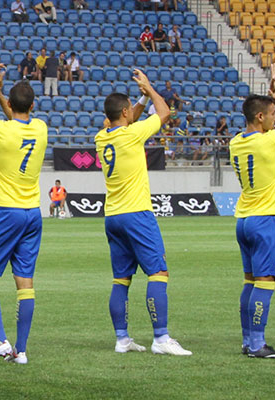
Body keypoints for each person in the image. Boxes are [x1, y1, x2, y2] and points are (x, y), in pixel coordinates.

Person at [95, 69, 192, 356]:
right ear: (124, 112)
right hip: (136, 212)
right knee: (158, 272)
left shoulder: (102, 137)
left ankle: (122, 339)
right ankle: (161, 338)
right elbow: (163, 112)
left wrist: (136, 100)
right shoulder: (133, 134)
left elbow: (128, 118)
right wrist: (149, 90)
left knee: (121, 279)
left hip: (112, 215)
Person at [0, 64, 48, 365]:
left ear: (10, 105)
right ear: (33, 105)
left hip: (6, 211)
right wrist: (7, 98)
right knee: (24, 281)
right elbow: (17, 118)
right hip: (32, 214)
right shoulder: (41, 128)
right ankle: (21, 351)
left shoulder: (1, 130)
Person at [229, 64, 275, 358]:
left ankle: (248, 340)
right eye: (272, 115)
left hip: (243, 219)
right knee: (266, 282)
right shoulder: (268, 141)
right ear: (260, 117)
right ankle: (258, 343)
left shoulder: (235, 142)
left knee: (250, 281)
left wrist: (274, 102)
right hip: (266, 219)